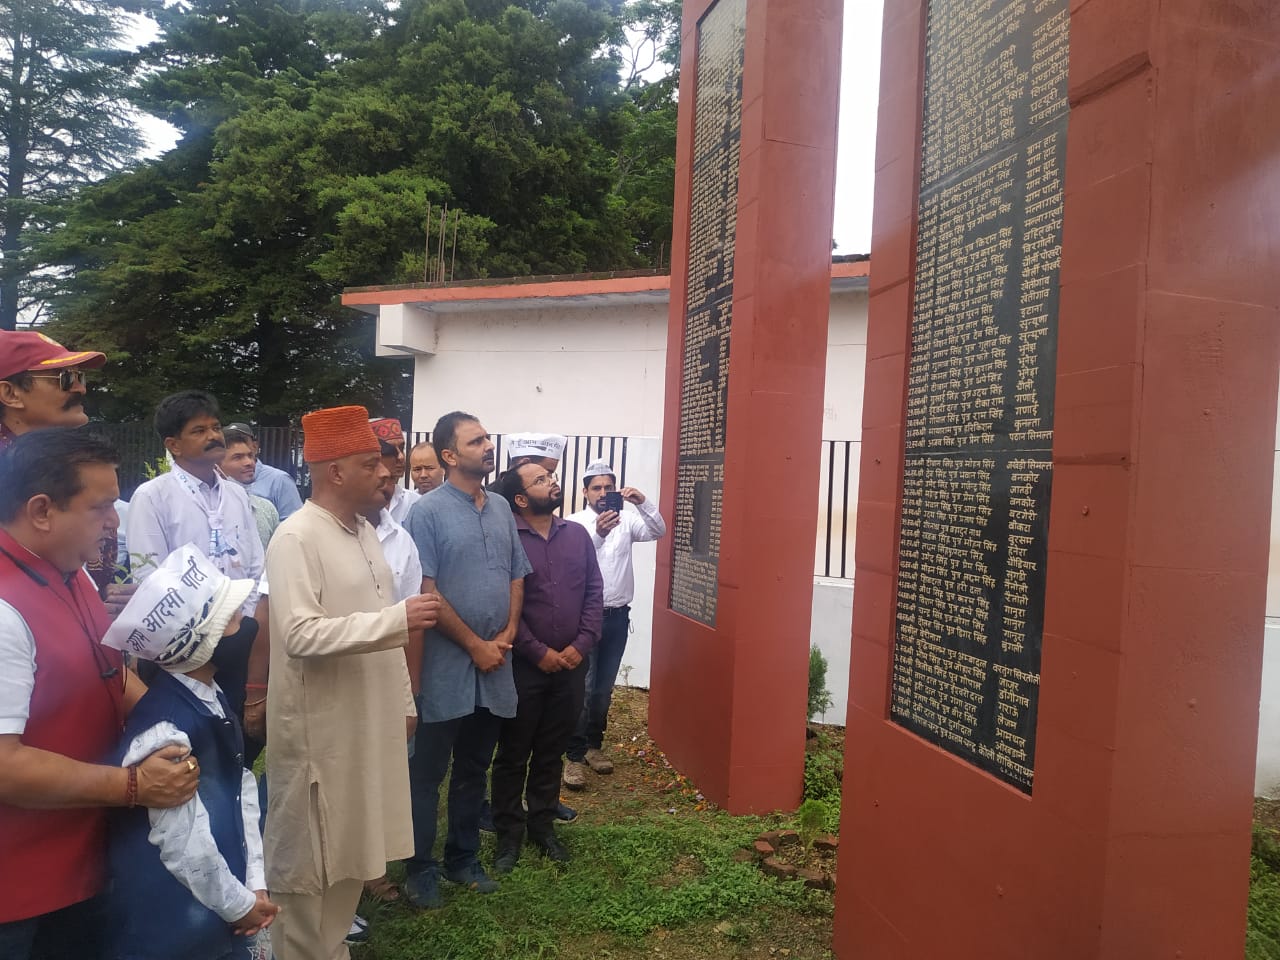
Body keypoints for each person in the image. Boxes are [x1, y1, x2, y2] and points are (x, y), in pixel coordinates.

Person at [0, 430, 199, 959]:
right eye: (102, 506)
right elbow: (4, 765)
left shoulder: (73, 574)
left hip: (83, 866)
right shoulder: (3, 608)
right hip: (16, 894)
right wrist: (134, 785)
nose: (116, 521)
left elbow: (109, 673)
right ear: (42, 510)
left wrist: (174, 722)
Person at [263, 405, 438, 960]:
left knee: (350, 854)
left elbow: (378, 621)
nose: (387, 474)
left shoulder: (364, 532)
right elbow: (299, 635)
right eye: (371, 464)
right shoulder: (297, 538)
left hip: (367, 724)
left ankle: (331, 949)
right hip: (321, 734)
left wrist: (404, 701)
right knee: (310, 867)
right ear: (335, 471)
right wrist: (398, 621)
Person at [104, 546, 278, 960]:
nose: (249, 626)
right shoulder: (166, 734)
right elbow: (184, 844)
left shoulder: (212, 697)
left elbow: (241, 784)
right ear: (200, 643)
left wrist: (254, 881)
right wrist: (241, 905)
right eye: (234, 620)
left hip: (219, 909)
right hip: (176, 929)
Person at [402, 411, 531, 908]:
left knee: (474, 767)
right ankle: (420, 867)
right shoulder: (427, 513)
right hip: (445, 666)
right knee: (427, 773)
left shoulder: (499, 507)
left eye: (487, 438)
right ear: (450, 455)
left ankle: (462, 859)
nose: (488, 445)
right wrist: (474, 645)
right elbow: (425, 590)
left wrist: (509, 630)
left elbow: (517, 572)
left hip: (496, 664)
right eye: (476, 441)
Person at [491, 465, 601, 872]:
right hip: (524, 666)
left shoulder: (576, 535)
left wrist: (581, 645)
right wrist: (537, 652)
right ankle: (508, 835)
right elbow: (505, 605)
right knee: (514, 752)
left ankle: (542, 827)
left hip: (572, 666)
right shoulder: (507, 539)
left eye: (549, 478)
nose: (552, 482)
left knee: (551, 751)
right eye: (540, 480)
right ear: (520, 499)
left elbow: (594, 592)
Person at [563, 460, 667, 789]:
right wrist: (598, 532)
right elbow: (571, 563)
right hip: (583, 617)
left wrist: (642, 502)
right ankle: (573, 757)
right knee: (580, 686)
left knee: (602, 689)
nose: (603, 493)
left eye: (609, 488)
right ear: (585, 492)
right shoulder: (574, 524)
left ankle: (594, 746)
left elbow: (658, 531)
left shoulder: (628, 521)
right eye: (597, 488)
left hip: (617, 617)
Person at [0, 331, 125, 597]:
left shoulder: (72, 460)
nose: (81, 388)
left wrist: (104, 599)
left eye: (80, 377)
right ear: (10, 393)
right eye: (65, 378)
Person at [358, 470, 425, 905]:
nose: (386, 481)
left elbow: (414, 621)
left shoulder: (401, 540)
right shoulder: (309, 536)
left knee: (384, 774)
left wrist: (411, 693)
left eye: (389, 473)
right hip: (343, 676)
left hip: (391, 675)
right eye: (374, 469)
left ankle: (372, 869)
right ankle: (345, 870)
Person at [225, 423, 303, 521]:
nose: (237, 445)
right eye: (229, 442)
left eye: (243, 440)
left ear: (255, 446)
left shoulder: (279, 480)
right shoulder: (215, 484)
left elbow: (294, 525)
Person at [221, 426, 281, 549]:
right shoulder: (208, 511)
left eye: (250, 455)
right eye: (237, 457)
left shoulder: (266, 509)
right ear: (216, 465)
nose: (249, 462)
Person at [370, 417, 419, 524]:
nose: (401, 457)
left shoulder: (416, 503)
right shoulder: (355, 507)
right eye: (390, 451)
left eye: (401, 448)